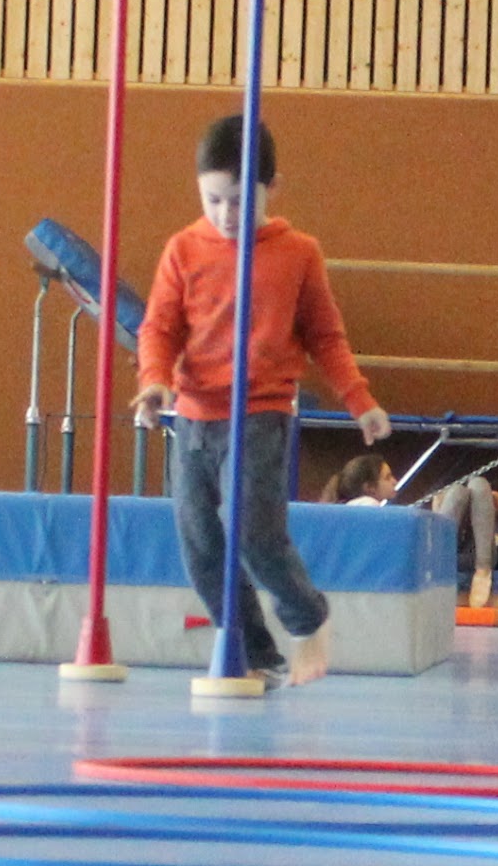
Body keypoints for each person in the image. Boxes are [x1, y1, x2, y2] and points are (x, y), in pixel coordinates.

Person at [136, 115, 385, 680]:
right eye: (213, 200)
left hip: (259, 416)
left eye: (239, 201)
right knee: (200, 547)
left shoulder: (297, 253)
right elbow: (159, 327)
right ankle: (254, 655)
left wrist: (358, 399)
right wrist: (154, 381)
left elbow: (325, 335)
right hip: (194, 418)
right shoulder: (183, 249)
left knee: (254, 534)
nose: (226, 214)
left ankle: (307, 616)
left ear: (273, 188)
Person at [320, 449, 498, 602]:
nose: (395, 480)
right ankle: (484, 570)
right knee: (472, 488)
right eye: (387, 477)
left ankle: (483, 568)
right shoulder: (366, 508)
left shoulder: (360, 508)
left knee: (466, 490)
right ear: (369, 487)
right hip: (440, 560)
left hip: (450, 555)